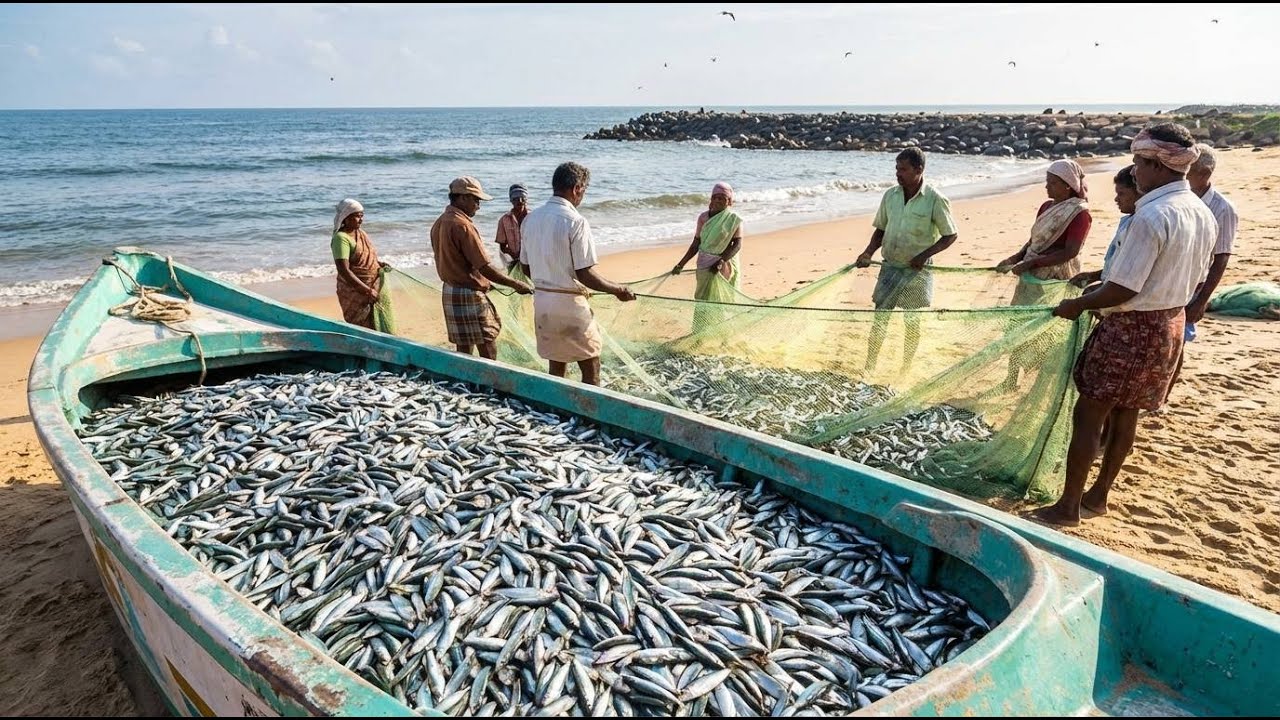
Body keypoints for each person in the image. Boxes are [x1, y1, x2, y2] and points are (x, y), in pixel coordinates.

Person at [1036, 124, 1216, 527]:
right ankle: (1098, 496)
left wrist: (1079, 304)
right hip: (1169, 325)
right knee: (1127, 413)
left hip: (1130, 329)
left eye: (1138, 163)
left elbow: (1122, 289)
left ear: (1156, 165)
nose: (1134, 172)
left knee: (1089, 415)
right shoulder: (1201, 212)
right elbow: (1188, 276)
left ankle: (1067, 507)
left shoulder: (1151, 214)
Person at [520, 162, 636, 385]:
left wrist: (548, 277)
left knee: (556, 365)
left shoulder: (530, 219)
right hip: (570, 307)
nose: (582, 196)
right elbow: (585, 274)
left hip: (542, 303)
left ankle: (558, 409)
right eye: (584, 190)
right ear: (576, 189)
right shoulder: (576, 221)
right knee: (590, 365)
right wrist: (618, 290)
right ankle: (589, 415)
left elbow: (525, 267)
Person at [854, 148, 959, 374]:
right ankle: (870, 366)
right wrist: (868, 253)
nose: (897, 174)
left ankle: (906, 368)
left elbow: (950, 235)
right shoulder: (890, 195)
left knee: (912, 322)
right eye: (896, 169)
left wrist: (923, 256)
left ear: (919, 170)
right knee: (880, 318)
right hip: (890, 267)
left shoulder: (935, 199)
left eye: (903, 169)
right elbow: (881, 229)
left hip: (917, 271)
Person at [430, 176, 532, 360]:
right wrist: (516, 284)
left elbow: (457, 261)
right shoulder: (463, 225)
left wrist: (485, 282)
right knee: (487, 342)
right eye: (476, 199)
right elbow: (485, 267)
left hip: (450, 291)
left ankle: (467, 381)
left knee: (463, 345)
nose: (478, 205)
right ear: (462, 198)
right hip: (469, 294)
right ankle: (491, 383)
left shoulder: (440, 222)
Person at [998, 159, 1092, 305]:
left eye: (1053, 183)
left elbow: (1071, 252)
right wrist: (1015, 258)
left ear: (1067, 185)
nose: (1047, 186)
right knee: (1023, 311)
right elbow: (1034, 241)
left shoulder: (1079, 213)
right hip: (1032, 271)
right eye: (1047, 182)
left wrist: (1032, 263)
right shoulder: (1046, 207)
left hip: (1056, 276)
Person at [671, 181, 744, 328]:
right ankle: (699, 331)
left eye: (722, 198)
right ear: (710, 199)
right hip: (704, 264)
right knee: (702, 299)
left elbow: (737, 245)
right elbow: (696, 244)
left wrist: (721, 261)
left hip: (723, 265)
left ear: (729, 201)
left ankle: (722, 332)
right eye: (715, 197)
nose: (717, 200)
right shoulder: (703, 218)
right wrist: (681, 264)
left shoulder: (734, 219)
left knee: (721, 300)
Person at [1070, 165, 1141, 290]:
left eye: (1122, 194)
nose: (1116, 199)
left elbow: (1131, 277)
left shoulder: (1141, 226)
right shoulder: (1127, 221)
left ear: (1140, 193)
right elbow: (1118, 265)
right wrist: (1094, 276)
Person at [331, 198, 394, 331]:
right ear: (345, 217)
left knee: (376, 323)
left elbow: (364, 258)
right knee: (362, 326)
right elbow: (344, 270)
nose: (361, 220)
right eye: (357, 216)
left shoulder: (361, 233)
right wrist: (367, 291)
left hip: (372, 286)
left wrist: (378, 264)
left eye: (362, 216)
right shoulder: (341, 238)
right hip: (355, 291)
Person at [495, 183, 529, 272]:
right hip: (513, 261)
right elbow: (502, 247)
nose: (520, 201)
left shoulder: (534, 217)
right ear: (511, 200)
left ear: (527, 199)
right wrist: (514, 256)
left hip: (532, 260)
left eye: (523, 198)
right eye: (516, 198)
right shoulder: (504, 220)